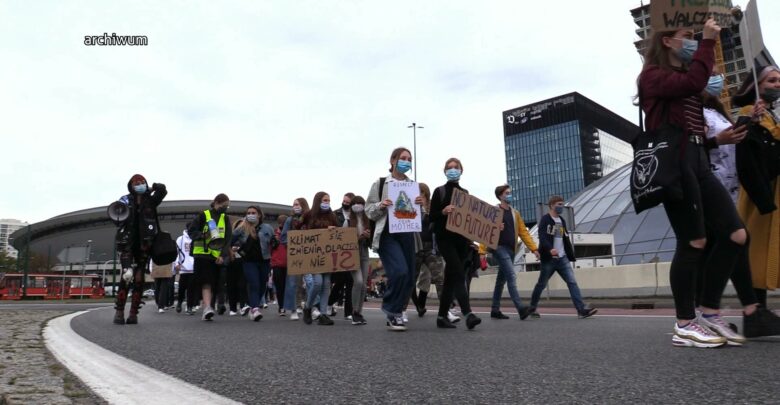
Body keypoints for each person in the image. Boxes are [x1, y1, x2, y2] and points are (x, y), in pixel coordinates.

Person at [637, 19, 747, 348]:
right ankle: (685, 322)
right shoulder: (653, 77)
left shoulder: (682, 80)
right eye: (686, 37)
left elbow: (692, 130)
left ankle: (709, 311)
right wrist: (709, 42)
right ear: (668, 42)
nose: (692, 41)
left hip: (699, 162)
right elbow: (695, 81)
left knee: (736, 234)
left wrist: (716, 141)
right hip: (677, 168)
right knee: (694, 241)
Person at [733, 65, 780, 337]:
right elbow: (746, 154)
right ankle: (755, 312)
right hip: (762, 193)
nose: (776, 84)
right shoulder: (748, 114)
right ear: (756, 84)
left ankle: (758, 312)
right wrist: (751, 120)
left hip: (773, 191)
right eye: (771, 80)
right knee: (758, 251)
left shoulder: (772, 115)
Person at [366, 147, 424, 331]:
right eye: (403, 158)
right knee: (398, 271)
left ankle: (396, 312)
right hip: (387, 234)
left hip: (407, 234)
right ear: (393, 161)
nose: (406, 161)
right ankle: (392, 310)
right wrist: (381, 205)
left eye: (409, 159)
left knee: (408, 276)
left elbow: (418, 217)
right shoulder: (382, 183)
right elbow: (369, 210)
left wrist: (421, 207)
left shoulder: (413, 186)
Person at [429, 157, 481, 330]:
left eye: (455, 167)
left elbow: (470, 221)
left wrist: (471, 241)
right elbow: (431, 216)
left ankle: (442, 317)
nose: (452, 170)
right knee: (458, 273)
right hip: (445, 239)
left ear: (461, 170)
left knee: (451, 279)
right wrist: (443, 211)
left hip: (461, 241)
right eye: (449, 168)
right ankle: (468, 314)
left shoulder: (465, 193)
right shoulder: (440, 191)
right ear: (445, 171)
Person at [111, 174, 167, 325]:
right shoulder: (125, 199)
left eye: (142, 182)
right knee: (126, 275)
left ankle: (133, 313)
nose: (139, 184)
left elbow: (162, 190)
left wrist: (152, 187)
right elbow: (115, 212)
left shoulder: (150, 200)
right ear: (131, 185)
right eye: (136, 183)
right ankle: (119, 311)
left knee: (139, 278)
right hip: (127, 242)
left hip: (144, 243)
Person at [529, 196, 596, 320]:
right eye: (559, 204)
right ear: (552, 205)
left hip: (562, 258)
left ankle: (581, 310)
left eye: (562, 204)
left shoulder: (561, 220)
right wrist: (550, 249)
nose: (561, 207)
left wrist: (568, 253)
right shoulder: (545, 219)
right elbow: (542, 237)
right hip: (549, 259)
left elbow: (563, 238)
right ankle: (532, 308)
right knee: (541, 284)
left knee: (572, 282)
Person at [480, 184, 538, 320]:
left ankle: (495, 309)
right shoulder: (493, 211)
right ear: (500, 196)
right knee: (511, 275)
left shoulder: (515, 213)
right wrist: (481, 251)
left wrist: (534, 248)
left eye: (510, 193)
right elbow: (484, 230)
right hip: (498, 248)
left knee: (501, 280)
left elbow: (523, 232)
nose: (509, 195)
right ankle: (521, 308)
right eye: (507, 193)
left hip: (511, 249)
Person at [187, 193, 233, 321]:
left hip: (217, 256)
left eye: (227, 207)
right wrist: (202, 235)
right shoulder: (204, 215)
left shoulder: (225, 218)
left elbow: (228, 238)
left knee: (214, 282)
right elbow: (191, 231)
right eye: (224, 205)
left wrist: (222, 255)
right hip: (202, 254)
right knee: (206, 282)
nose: (225, 208)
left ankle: (208, 307)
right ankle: (207, 307)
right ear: (216, 202)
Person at [300, 192, 339, 326]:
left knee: (326, 284)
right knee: (317, 282)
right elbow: (298, 230)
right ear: (318, 201)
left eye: (328, 200)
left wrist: (334, 230)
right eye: (324, 200)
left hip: (327, 254)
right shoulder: (308, 215)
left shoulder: (332, 216)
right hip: (313, 254)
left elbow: (338, 233)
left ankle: (323, 314)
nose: (327, 202)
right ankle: (308, 307)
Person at [409, 183, 445, 318]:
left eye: (422, 193)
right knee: (412, 278)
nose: (420, 196)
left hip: (431, 247)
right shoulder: (411, 206)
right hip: (416, 246)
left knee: (434, 277)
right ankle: (414, 306)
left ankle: (444, 309)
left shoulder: (432, 207)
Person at [232, 205, 274, 322]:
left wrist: (275, 241)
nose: (251, 214)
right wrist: (231, 251)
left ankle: (251, 305)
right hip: (249, 261)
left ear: (259, 214)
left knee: (262, 286)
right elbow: (230, 240)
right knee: (254, 283)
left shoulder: (267, 228)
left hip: (264, 260)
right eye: (249, 212)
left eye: (253, 212)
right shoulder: (241, 228)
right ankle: (255, 309)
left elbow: (273, 241)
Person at [281, 198, 309, 321]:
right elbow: (283, 237)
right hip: (295, 255)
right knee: (294, 283)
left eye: (297, 204)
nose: (295, 206)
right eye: (294, 205)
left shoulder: (310, 219)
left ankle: (310, 306)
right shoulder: (289, 220)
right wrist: (293, 244)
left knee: (311, 282)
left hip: (310, 255)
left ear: (303, 205)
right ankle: (294, 308)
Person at [328, 192, 356, 317]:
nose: (344, 203)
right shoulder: (335, 214)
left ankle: (347, 311)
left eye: (347, 202)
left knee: (349, 281)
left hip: (351, 250)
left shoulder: (356, 215)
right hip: (338, 250)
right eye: (343, 201)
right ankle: (330, 303)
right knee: (341, 281)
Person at [346, 195, 371, 325]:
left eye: (360, 203)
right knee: (359, 282)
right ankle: (354, 311)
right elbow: (344, 242)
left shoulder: (368, 220)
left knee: (363, 286)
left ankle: (359, 312)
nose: (358, 205)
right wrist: (360, 237)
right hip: (351, 255)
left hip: (365, 253)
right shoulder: (348, 221)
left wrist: (369, 236)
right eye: (355, 203)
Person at [226, 217, 249, 316]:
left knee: (242, 284)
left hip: (243, 260)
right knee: (231, 284)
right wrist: (232, 249)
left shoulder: (247, 236)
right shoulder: (232, 236)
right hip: (232, 260)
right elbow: (226, 244)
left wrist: (240, 249)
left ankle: (243, 306)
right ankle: (232, 308)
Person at [174, 229, 197, 315]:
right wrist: (177, 263)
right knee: (182, 288)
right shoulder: (181, 239)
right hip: (183, 267)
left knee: (191, 288)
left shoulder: (196, 238)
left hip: (193, 267)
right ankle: (179, 302)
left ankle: (189, 307)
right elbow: (176, 252)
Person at [271, 214, 289, 316]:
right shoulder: (274, 234)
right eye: (281, 223)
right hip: (277, 263)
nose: (282, 225)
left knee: (287, 286)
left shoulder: (291, 234)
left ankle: (285, 305)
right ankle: (281, 306)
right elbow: (270, 248)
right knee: (279, 286)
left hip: (289, 264)